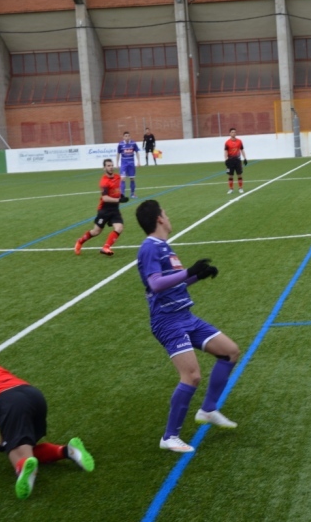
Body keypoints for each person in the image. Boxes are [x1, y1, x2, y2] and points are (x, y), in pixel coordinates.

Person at [135, 199, 241, 453]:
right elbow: (156, 284)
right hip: (167, 321)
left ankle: (208, 410)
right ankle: (169, 436)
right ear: (159, 219)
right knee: (192, 376)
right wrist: (187, 272)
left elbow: (173, 284)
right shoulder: (150, 247)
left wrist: (196, 276)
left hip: (185, 316)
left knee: (230, 352)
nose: (168, 216)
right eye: (166, 213)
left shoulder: (164, 247)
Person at [0, 364, 95, 499]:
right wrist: (3, 444)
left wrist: (9, 445)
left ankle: (23, 469)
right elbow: (3, 416)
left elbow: (3, 407)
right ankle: (67, 451)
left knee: (20, 455)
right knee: (26, 448)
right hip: (33, 395)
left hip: (10, 402)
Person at [74, 158, 129, 256]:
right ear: (104, 168)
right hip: (104, 210)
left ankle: (106, 247)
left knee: (119, 227)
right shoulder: (104, 182)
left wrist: (121, 195)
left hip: (114, 209)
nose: (111, 167)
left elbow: (116, 189)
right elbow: (105, 198)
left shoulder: (117, 177)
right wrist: (119, 200)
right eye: (108, 166)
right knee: (96, 231)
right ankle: (80, 241)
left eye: (111, 165)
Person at [224, 127, 248, 195]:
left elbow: (242, 150)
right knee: (230, 175)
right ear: (230, 133)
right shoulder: (227, 142)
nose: (233, 133)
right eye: (232, 132)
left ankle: (240, 188)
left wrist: (245, 158)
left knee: (239, 174)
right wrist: (226, 160)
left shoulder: (239, 141)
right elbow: (225, 151)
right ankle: (231, 189)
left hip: (238, 160)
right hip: (230, 161)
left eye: (234, 132)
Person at [117, 131, 141, 199]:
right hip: (124, 164)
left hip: (131, 163)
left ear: (130, 136)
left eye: (128, 136)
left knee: (132, 178)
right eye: (126, 136)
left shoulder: (133, 143)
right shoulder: (120, 144)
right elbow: (118, 154)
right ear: (123, 137)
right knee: (123, 178)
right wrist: (117, 163)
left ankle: (132, 194)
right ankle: (122, 195)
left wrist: (138, 161)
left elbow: (137, 152)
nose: (127, 137)